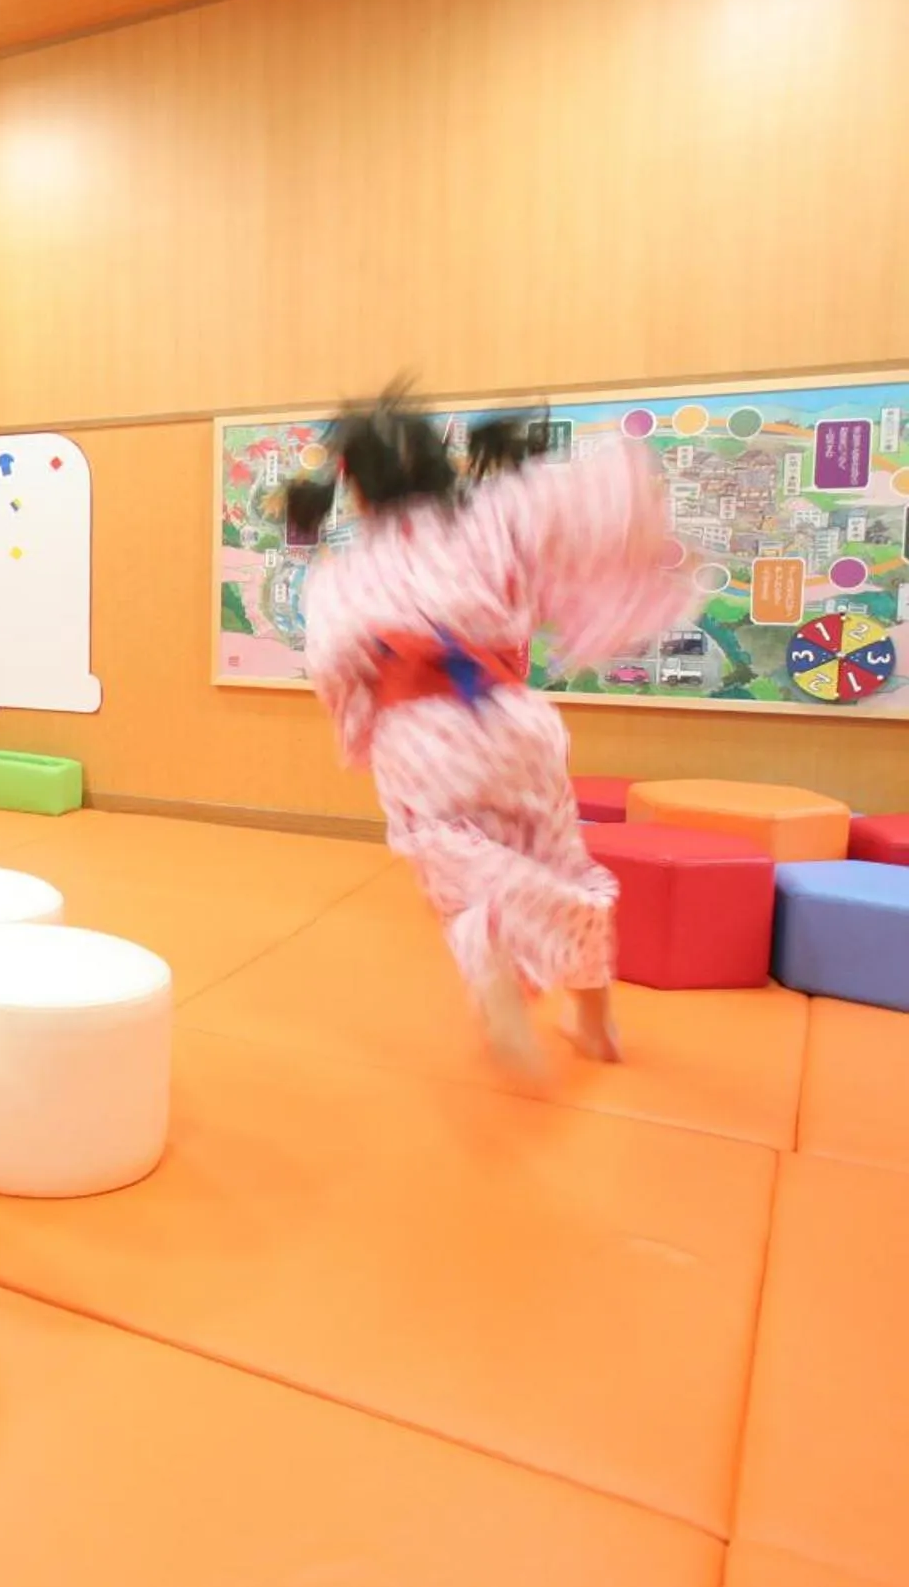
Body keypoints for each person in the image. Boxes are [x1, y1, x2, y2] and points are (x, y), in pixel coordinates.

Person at [289, 382, 694, 1079]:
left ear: (354, 488)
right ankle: (596, 1023)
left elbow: (334, 668)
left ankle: (497, 973)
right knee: (563, 858)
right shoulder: (495, 518)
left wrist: (361, 733)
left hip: (423, 736)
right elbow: (600, 505)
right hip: (517, 726)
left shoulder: (343, 578)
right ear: (440, 458)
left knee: (454, 862)